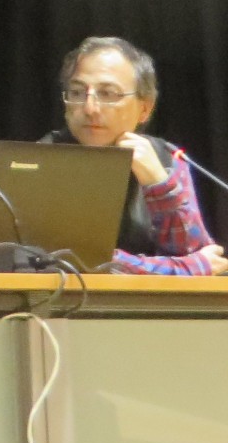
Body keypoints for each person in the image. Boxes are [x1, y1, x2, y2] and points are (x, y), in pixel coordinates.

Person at [39, 36, 227, 276]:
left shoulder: (167, 159)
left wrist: (159, 184)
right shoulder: (43, 158)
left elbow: (198, 253)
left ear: (144, 108)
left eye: (108, 94)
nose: (89, 108)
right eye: (77, 92)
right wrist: (187, 269)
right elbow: (74, 260)